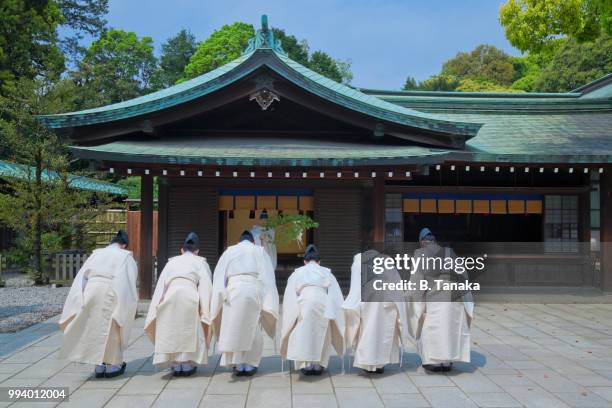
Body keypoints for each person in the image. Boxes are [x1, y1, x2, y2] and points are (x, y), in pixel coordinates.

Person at [59, 230, 138, 378]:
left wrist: (80, 298)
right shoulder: (125, 256)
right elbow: (127, 281)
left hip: (91, 289)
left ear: (111, 243)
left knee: (93, 325)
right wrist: (126, 304)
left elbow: (82, 277)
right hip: (111, 290)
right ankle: (112, 366)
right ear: (124, 245)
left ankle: (99, 365)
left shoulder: (96, 254)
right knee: (112, 326)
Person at [211, 230, 279, 376]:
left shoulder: (229, 251)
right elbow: (267, 277)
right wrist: (268, 301)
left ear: (238, 242)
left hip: (233, 290)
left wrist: (219, 296)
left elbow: (219, 275)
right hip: (253, 289)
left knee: (234, 326)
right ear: (253, 242)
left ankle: (237, 363)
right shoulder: (259, 251)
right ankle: (249, 364)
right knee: (252, 326)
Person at [144, 232, 213, 376]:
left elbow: (161, 284)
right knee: (189, 328)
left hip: (170, 294)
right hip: (190, 294)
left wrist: (158, 303)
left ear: (182, 250)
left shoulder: (172, 262)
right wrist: (205, 310)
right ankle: (187, 363)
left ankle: (175, 363)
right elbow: (206, 286)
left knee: (172, 328)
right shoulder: (201, 262)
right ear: (197, 251)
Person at [407, 228, 474, 372]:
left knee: (431, 328)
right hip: (455, 298)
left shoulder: (420, 254)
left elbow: (417, 282)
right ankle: (448, 361)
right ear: (434, 241)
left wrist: (414, 302)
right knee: (451, 327)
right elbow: (463, 275)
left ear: (422, 242)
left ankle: (434, 362)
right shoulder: (450, 252)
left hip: (436, 297)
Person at [280, 244, 345, 375]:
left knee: (303, 332)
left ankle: (306, 365)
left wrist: (291, 312)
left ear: (305, 261)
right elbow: (336, 295)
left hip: (304, 302)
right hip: (322, 302)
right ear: (319, 261)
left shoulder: (297, 272)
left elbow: (289, 295)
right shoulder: (326, 272)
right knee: (322, 333)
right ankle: (318, 365)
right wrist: (336, 312)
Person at [343, 250, 410, 373]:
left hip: (368, 298)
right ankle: (380, 365)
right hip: (387, 298)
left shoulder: (358, 262)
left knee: (368, 331)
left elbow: (356, 286)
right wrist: (398, 302)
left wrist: (351, 304)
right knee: (383, 331)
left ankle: (368, 364)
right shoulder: (386, 260)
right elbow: (396, 282)